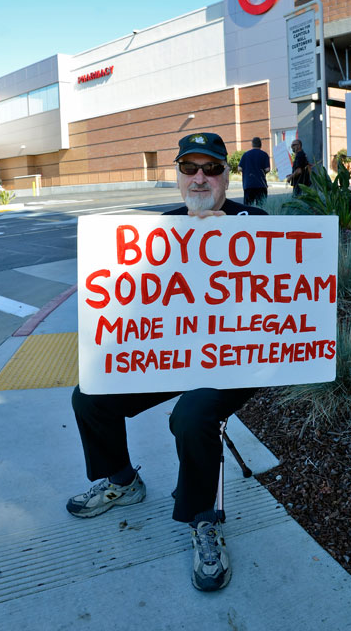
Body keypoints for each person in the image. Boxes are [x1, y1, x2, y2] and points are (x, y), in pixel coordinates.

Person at [67, 132, 266, 592]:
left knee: (192, 415)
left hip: (230, 360)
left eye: (212, 168)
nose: (200, 178)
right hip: (169, 356)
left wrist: (224, 237)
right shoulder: (159, 228)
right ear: (177, 176)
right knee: (90, 394)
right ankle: (122, 481)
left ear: (226, 176)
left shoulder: (255, 222)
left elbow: (272, 305)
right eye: (190, 168)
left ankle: (204, 518)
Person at [238, 136, 270, 206]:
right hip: (261, 185)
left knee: (248, 208)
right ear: (260, 144)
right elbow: (267, 169)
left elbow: (239, 168)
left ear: (252, 144)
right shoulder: (264, 154)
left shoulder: (246, 154)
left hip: (248, 185)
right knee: (262, 207)